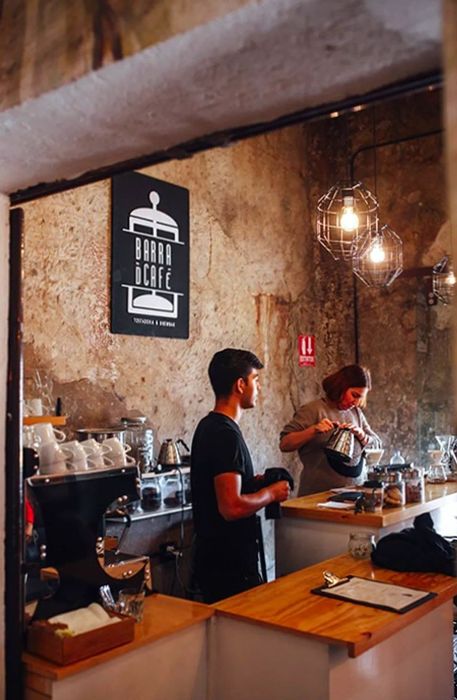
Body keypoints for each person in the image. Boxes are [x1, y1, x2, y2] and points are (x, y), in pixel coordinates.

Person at [191, 348, 291, 604]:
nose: (258, 387)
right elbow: (231, 507)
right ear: (240, 384)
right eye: (255, 379)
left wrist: (253, 483)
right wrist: (271, 493)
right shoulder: (225, 435)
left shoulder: (209, 426)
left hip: (217, 559)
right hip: (228, 565)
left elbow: (221, 489)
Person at [279, 364, 381, 496]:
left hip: (354, 495)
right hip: (317, 496)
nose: (356, 402)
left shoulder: (356, 413)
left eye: (360, 398)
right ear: (341, 387)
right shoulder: (313, 410)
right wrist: (314, 430)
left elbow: (377, 444)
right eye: (354, 395)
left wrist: (362, 436)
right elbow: (285, 444)